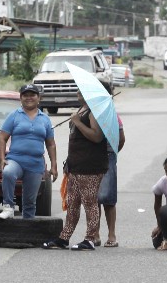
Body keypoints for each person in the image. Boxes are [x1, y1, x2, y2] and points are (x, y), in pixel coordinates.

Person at [43, 90, 107, 250]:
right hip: (75, 165)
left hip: (90, 165)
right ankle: (64, 237)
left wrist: (78, 122)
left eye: (82, 89)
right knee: (72, 202)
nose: (78, 91)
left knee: (90, 202)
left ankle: (90, 238)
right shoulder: (82, 109)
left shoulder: (94, 111)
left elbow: (97, 136)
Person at [0, 84, 58, 219]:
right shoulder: (14, 115)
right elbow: (2, 138)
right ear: (21, 98)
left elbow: (51, 144)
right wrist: (2, 159)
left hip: (35, 164)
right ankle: (8, 207)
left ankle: (28, 233)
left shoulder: (45, 119)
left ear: (38, 98)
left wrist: (54, 166)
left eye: (32, 95)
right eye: (25, 95)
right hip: (16, 160)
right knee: (8, 172)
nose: (29, 98)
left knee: (30, 203)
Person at [93, 82, 125, 247]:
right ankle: (95, 233)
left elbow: (121, 139)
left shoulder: (111, 113)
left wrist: (111, 153)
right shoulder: (87, 111)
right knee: (94, 198)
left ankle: (111, 235)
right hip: (89, 159)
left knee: (109, 198)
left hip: (107, 157)